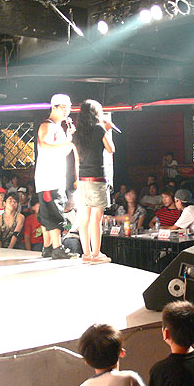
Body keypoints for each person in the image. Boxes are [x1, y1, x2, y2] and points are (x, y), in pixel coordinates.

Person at [35, 94, 80, 260]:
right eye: (63, 108)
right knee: (54, 211)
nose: (66, 112)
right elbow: (44, 143)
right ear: (54, 107)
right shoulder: (47, 125)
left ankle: (48, 247)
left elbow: (63, 151)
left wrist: (69, 137)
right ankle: (57, 247)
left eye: (69, 108)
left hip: (56, 177)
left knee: (49, 212)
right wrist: (67, 142)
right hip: (49, 178)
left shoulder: (59, 128)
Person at [74, 99, 115, 264]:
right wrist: (107, 130)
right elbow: (111, 149)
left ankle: (86, 254)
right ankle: (96, 254)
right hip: (97, 178)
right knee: (96, 219)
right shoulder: (99, 129)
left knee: (84, 219)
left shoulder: (77, 133)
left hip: (82, 179)